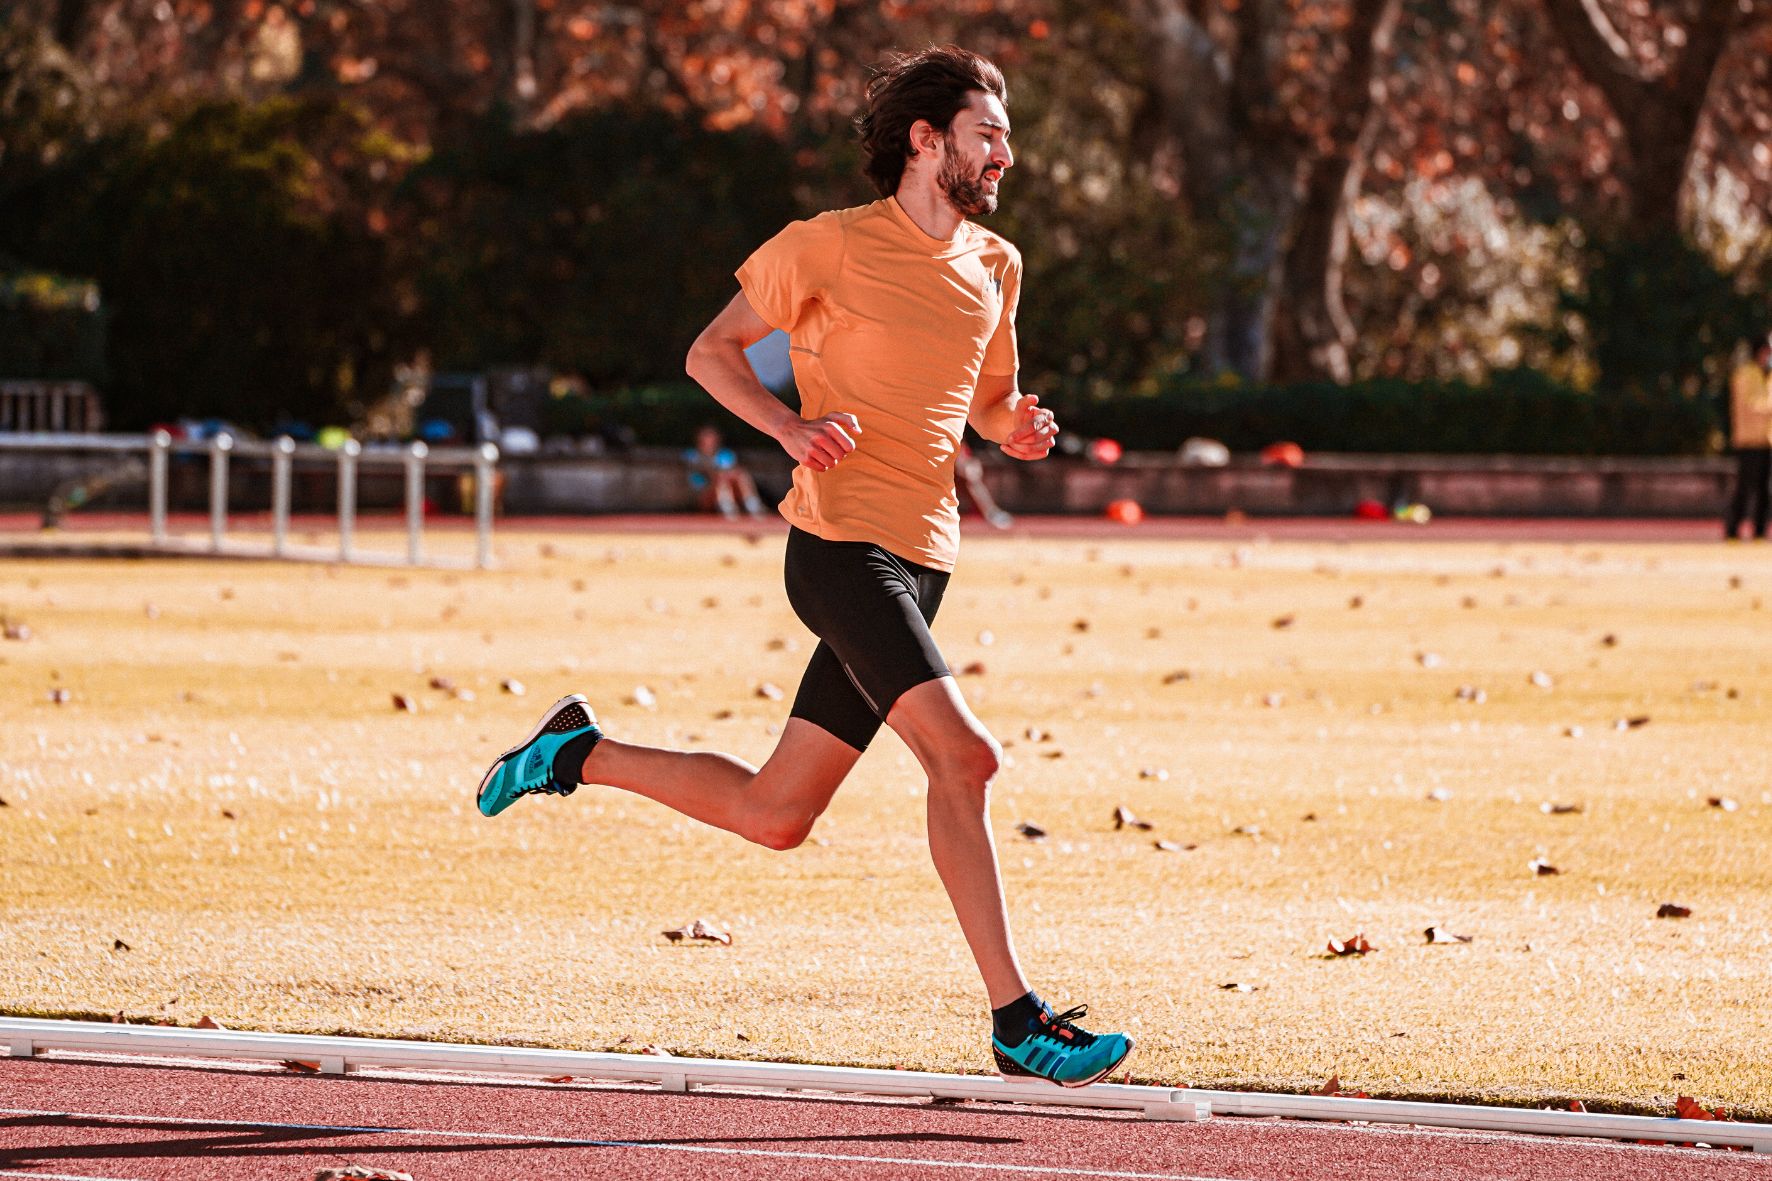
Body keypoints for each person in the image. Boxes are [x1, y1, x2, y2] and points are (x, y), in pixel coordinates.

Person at [474, 45, 1132, 1089]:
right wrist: (787, 427)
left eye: (1005, 138)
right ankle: (1018, 1020)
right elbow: (709, 352)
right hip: (838, 548)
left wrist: (1018, 428)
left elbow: (987, 402)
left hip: (924, 559)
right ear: (926, 140)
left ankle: (575, 752)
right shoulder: (826, 245)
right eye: (987, 134)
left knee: (776, 815)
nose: (1004, 154)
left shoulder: (997, 264)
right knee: (966, 758)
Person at [1725, 336, 1772, 541]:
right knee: (1744, 487)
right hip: (1748, 441)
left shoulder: (1767, 376)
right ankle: (1733, 529)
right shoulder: (1745, 374)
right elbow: (1748, 406)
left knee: (1764, 489)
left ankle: (1760, 530)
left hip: (1765, 440)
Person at [683, 424, 766, 519]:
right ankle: (728, 508)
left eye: (711, 439)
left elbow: (731, 471)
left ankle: (752, 505)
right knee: (721, 478)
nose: (709, 442)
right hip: (704, 495)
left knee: (741, 475)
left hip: (728, 489)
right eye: (706, 438)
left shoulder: (725, 454)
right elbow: (704, 473)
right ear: (699, 440)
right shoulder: (692, 455)